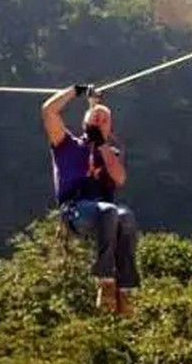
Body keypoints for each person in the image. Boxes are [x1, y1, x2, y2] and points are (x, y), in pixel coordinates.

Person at [42, 84, 140, 316]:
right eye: (95, 120)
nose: (99, 122)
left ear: (110, 128)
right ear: (84, 124)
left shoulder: (110, 153)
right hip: (76, 211)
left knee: (126, 217)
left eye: (104, 121)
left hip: (105, 215)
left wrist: (103, 144)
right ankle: (106, 281)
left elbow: (119, 178)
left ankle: (124, 290)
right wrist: (75, 91)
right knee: (110, 211)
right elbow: (49, 111)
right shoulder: (67, 145)